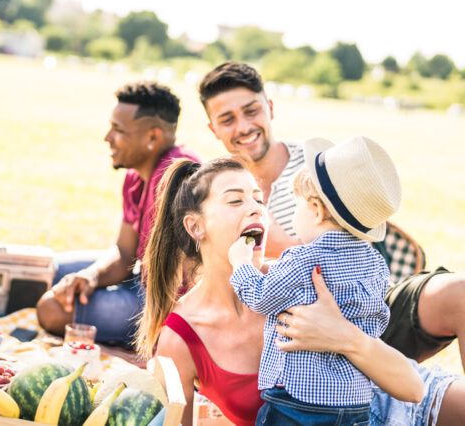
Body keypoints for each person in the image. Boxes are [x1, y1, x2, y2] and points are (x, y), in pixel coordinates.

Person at [135, 157, 465, 426]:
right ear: (196, 226)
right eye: (236, 200)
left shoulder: (299, 278)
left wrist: (344, 337)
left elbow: (412, 387)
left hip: (409, 407)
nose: (255, 209)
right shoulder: (180, 339)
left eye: (258, 199)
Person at [199, 61, 465, 374]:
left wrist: (269, 246)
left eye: (251, 111)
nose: (243, 127)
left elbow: (362, 256)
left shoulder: (319, 169)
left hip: (359, 315)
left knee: (457, 292)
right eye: (227, 119)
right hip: (274, 327)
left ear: (270, 107)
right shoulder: (216, 186)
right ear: (213, 129)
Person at [228, 137, 400, 424]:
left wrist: (241, 264)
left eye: (296, 205)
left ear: (317, 210)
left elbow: (260, 297)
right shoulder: (375, 263)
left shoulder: (303, 259)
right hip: (355, 401)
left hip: (298, 403)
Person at [36, 81, 200, 346]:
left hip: (162, 301)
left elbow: (182, 284)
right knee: (43, 272)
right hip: (140, 277)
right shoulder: (135, 175)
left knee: (51, 309)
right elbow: (124, 251)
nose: (107, 137)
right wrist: (91, 276)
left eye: (118, 129)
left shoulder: (178, 176)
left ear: (153, 137)